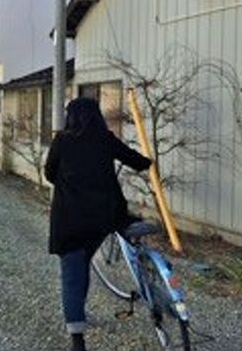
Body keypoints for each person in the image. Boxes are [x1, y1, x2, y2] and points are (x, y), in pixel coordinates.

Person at [44, 97, 152, 351]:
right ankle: (79, 313)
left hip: (69, 219)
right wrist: (149, 162)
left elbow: (50, 174)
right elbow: (138, 162)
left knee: (72, 274)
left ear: (71, 117)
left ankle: (77, 339)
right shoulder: (105, 139)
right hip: (103, 219)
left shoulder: (62, 140)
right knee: (82, 262)